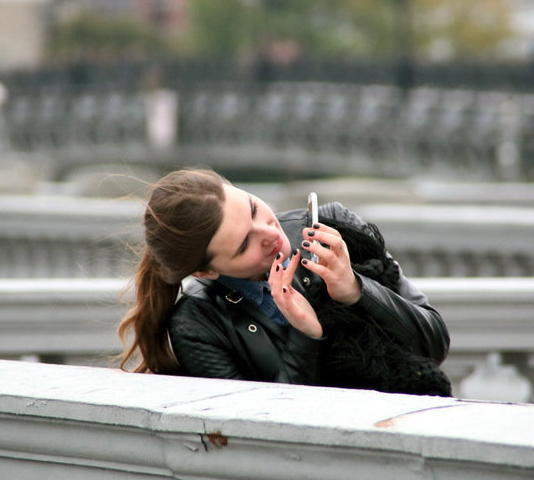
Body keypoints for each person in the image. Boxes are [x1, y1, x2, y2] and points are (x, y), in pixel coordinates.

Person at [118, 168, 451, 396]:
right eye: (243, 245)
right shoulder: (199, 324)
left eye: (252, 209)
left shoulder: (334, 229)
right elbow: (257, 433)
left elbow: (434, 344)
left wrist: (355, 290)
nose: (269, 233)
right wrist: (304, 335)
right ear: (207, 272)